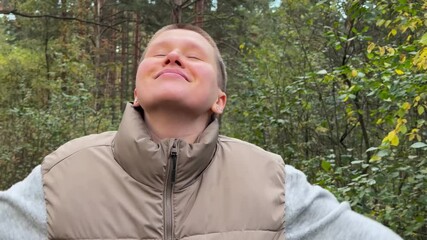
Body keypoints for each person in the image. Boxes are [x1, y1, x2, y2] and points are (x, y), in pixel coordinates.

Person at [0, 24, 402, 240]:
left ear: (220, 100)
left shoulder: (273, 181)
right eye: (159, 53)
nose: (173, 55)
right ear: (136, 91)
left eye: (193, 56)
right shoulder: (62, 175)